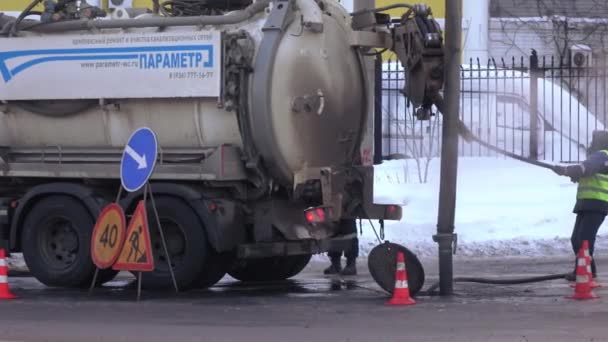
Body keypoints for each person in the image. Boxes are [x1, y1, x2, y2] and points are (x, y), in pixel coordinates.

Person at [553, 130, 608, 281]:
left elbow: (586, 168)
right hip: (587, 203)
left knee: (584, 240)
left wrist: (566, 170)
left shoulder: (602, 154)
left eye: (593, 140)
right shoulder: (600, 157)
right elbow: (588, 171)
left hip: (596, 203)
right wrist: (575, 174)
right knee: (577, 240)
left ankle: (585, 272)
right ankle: (588, 269)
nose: (591, 143)